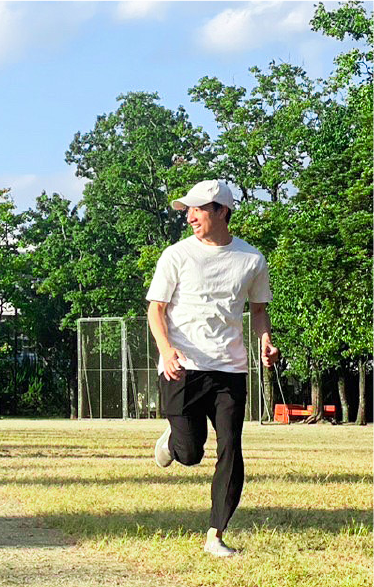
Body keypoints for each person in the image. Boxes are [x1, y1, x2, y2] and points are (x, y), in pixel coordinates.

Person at [147, 179, 279, 558]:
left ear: (222, 211)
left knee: (231, 449)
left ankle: (215, 535)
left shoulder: (252, 260)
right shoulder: (175, 256)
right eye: (187, 210)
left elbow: (258, 310)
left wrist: (265, 341)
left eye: (198, 209)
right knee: (190, 453)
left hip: (230, 369)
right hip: (182, 365)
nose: (189, 217)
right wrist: (166, 349)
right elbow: (156, 308)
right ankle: (173, 440)